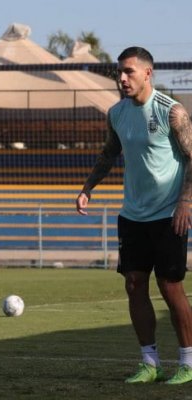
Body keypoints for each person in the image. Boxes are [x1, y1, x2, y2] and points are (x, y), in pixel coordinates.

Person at [76, 46, 192, 385]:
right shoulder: (116, 113)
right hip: (132, 216)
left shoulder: (173, 112)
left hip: (169, 214)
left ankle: (187, 362)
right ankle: (149, 362)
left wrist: (185, 203)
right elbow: (109, 153)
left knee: (170, 288)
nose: (122, 78)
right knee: (133, 284)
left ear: (147, 73)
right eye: (119, 72)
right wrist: (87, 188)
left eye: (128, 72)